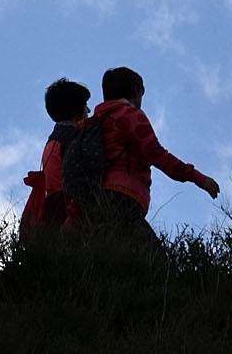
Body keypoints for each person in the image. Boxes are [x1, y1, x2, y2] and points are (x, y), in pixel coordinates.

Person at [68, 67, 220, 246]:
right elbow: (157, 154)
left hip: (95, 200)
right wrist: (197, 177)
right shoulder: (129, 115)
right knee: (154, 262)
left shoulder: (92, 124)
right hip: (123, 197)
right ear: (135, 91)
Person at [21, 78, 89, 241]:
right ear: (75, 111)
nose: (89, 110)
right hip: (68, 208)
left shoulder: (53, 140)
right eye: (85, 105)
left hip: (52, 209)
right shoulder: (74, 139)